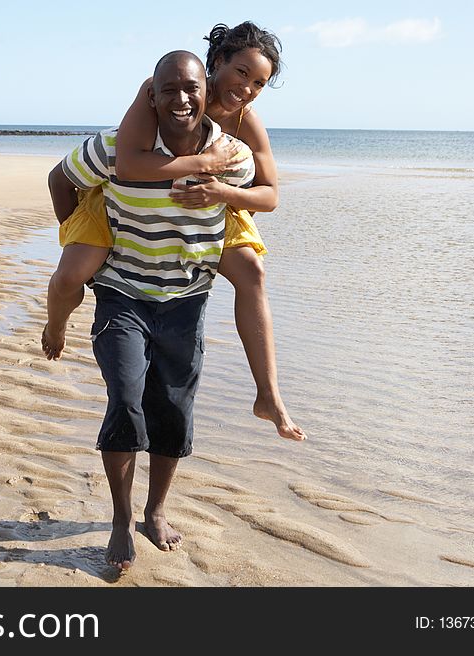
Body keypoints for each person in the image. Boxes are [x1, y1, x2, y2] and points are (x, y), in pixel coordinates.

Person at [49, 50, 267, 570]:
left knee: (172, 412)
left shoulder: (233, 158)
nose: (181, 98)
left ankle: (156, 510)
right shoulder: (110, 149)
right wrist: (82, 234)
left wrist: (220, 189)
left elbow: (267, 193)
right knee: (126, 402)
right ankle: (122, 520)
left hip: (186, 302)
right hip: (121, 295)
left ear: (204, 91)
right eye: (168, 89)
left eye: (190, 88)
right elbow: (60, 179)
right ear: (151, 94)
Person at [43, 22, 306, 442]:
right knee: (75, 272)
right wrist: (73, 229)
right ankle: (57, 324)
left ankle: (268, 395)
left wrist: (221, 190)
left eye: (259, 83)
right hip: (130, 193)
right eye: (242, 73)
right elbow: (128, 164)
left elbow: (270, 196)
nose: (248, 88)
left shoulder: (245, 120)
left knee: (253, 273)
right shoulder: (163, 89)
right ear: (217, 62)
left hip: (212, 199)